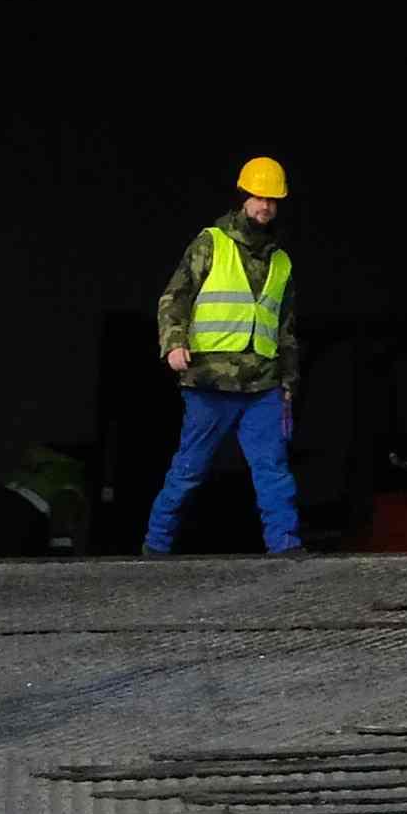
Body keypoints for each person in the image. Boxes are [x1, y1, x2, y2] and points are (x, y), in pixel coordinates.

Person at [144, 155, 305, 557]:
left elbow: (285, 328)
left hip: (262, 384)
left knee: (273, 470)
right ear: (243, 197)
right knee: (189, 469)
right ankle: (155, 547)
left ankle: (286, 547)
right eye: (259, 197)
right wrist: (173, 342)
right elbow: (175, 296)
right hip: (210, 381)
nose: (265, 205)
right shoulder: (211, 243)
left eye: (272, 199)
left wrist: (288, 382)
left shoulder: (281, 261)